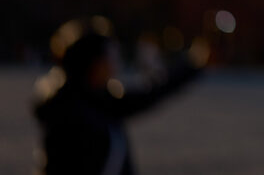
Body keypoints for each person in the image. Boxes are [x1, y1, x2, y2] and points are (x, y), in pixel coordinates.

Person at [32, 17, 206, 175]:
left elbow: (150, 94)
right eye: (110, 55)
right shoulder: (73, 114)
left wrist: (193, 65)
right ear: (94, 64)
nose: (115, 62)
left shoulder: (99, 100)